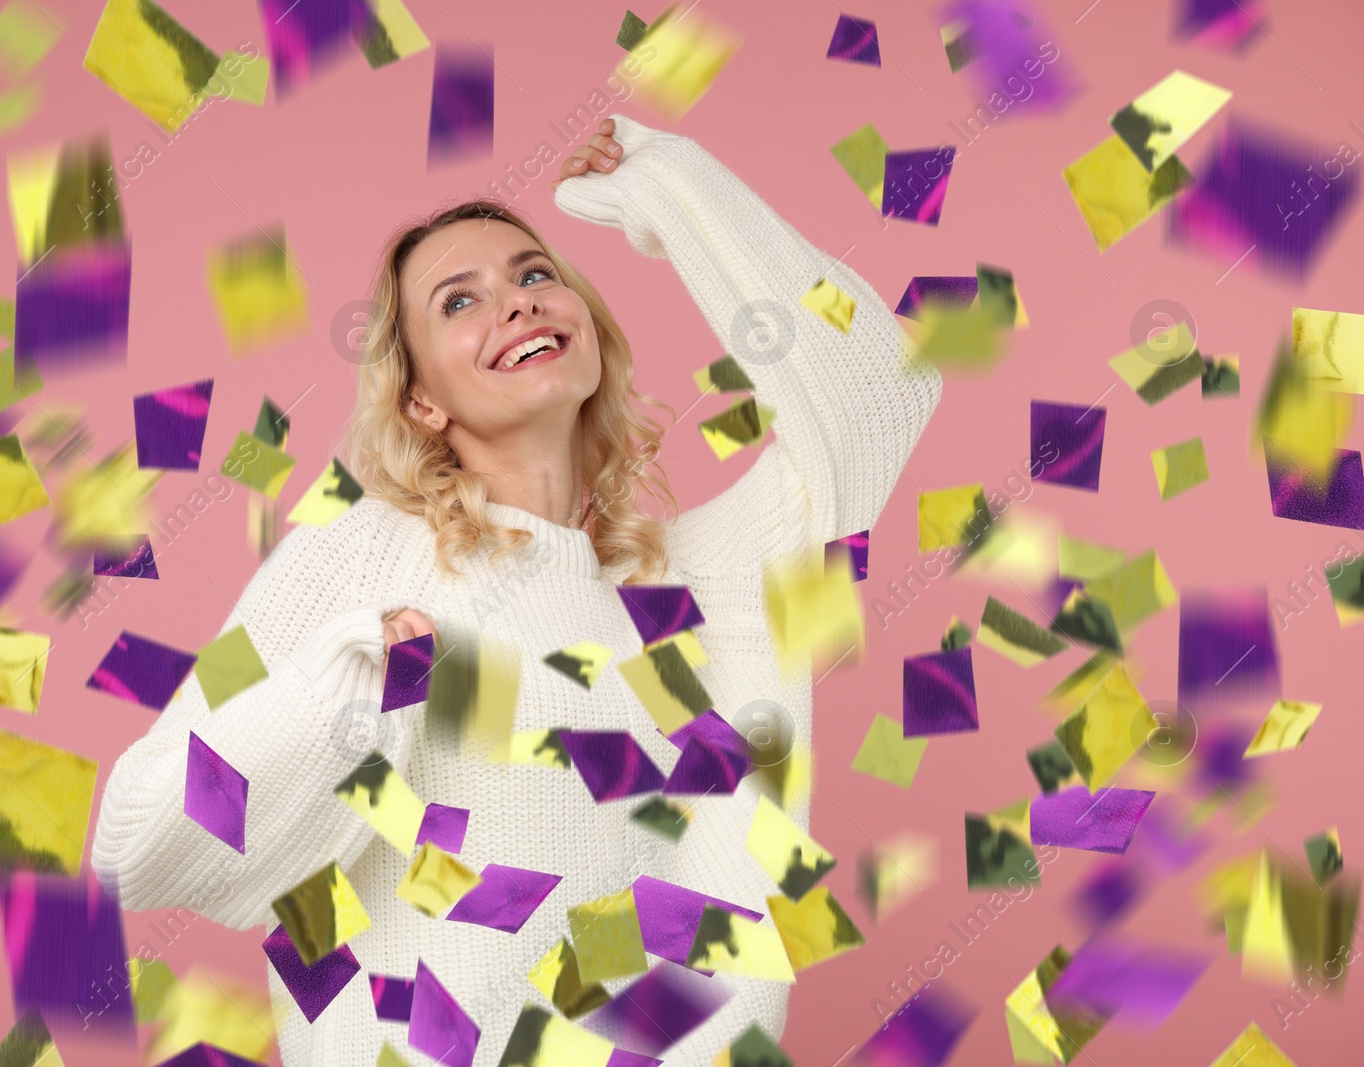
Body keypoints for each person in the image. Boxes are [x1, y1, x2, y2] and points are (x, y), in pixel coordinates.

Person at [92, 112, 942, 1065]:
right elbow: (138, 833)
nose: (517, 302)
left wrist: (675, 191)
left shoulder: (686, 587)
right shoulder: (362, 552)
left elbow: (886, 391)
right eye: (459, 301)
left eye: (536, 275)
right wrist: (347, 689)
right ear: (422, 399)